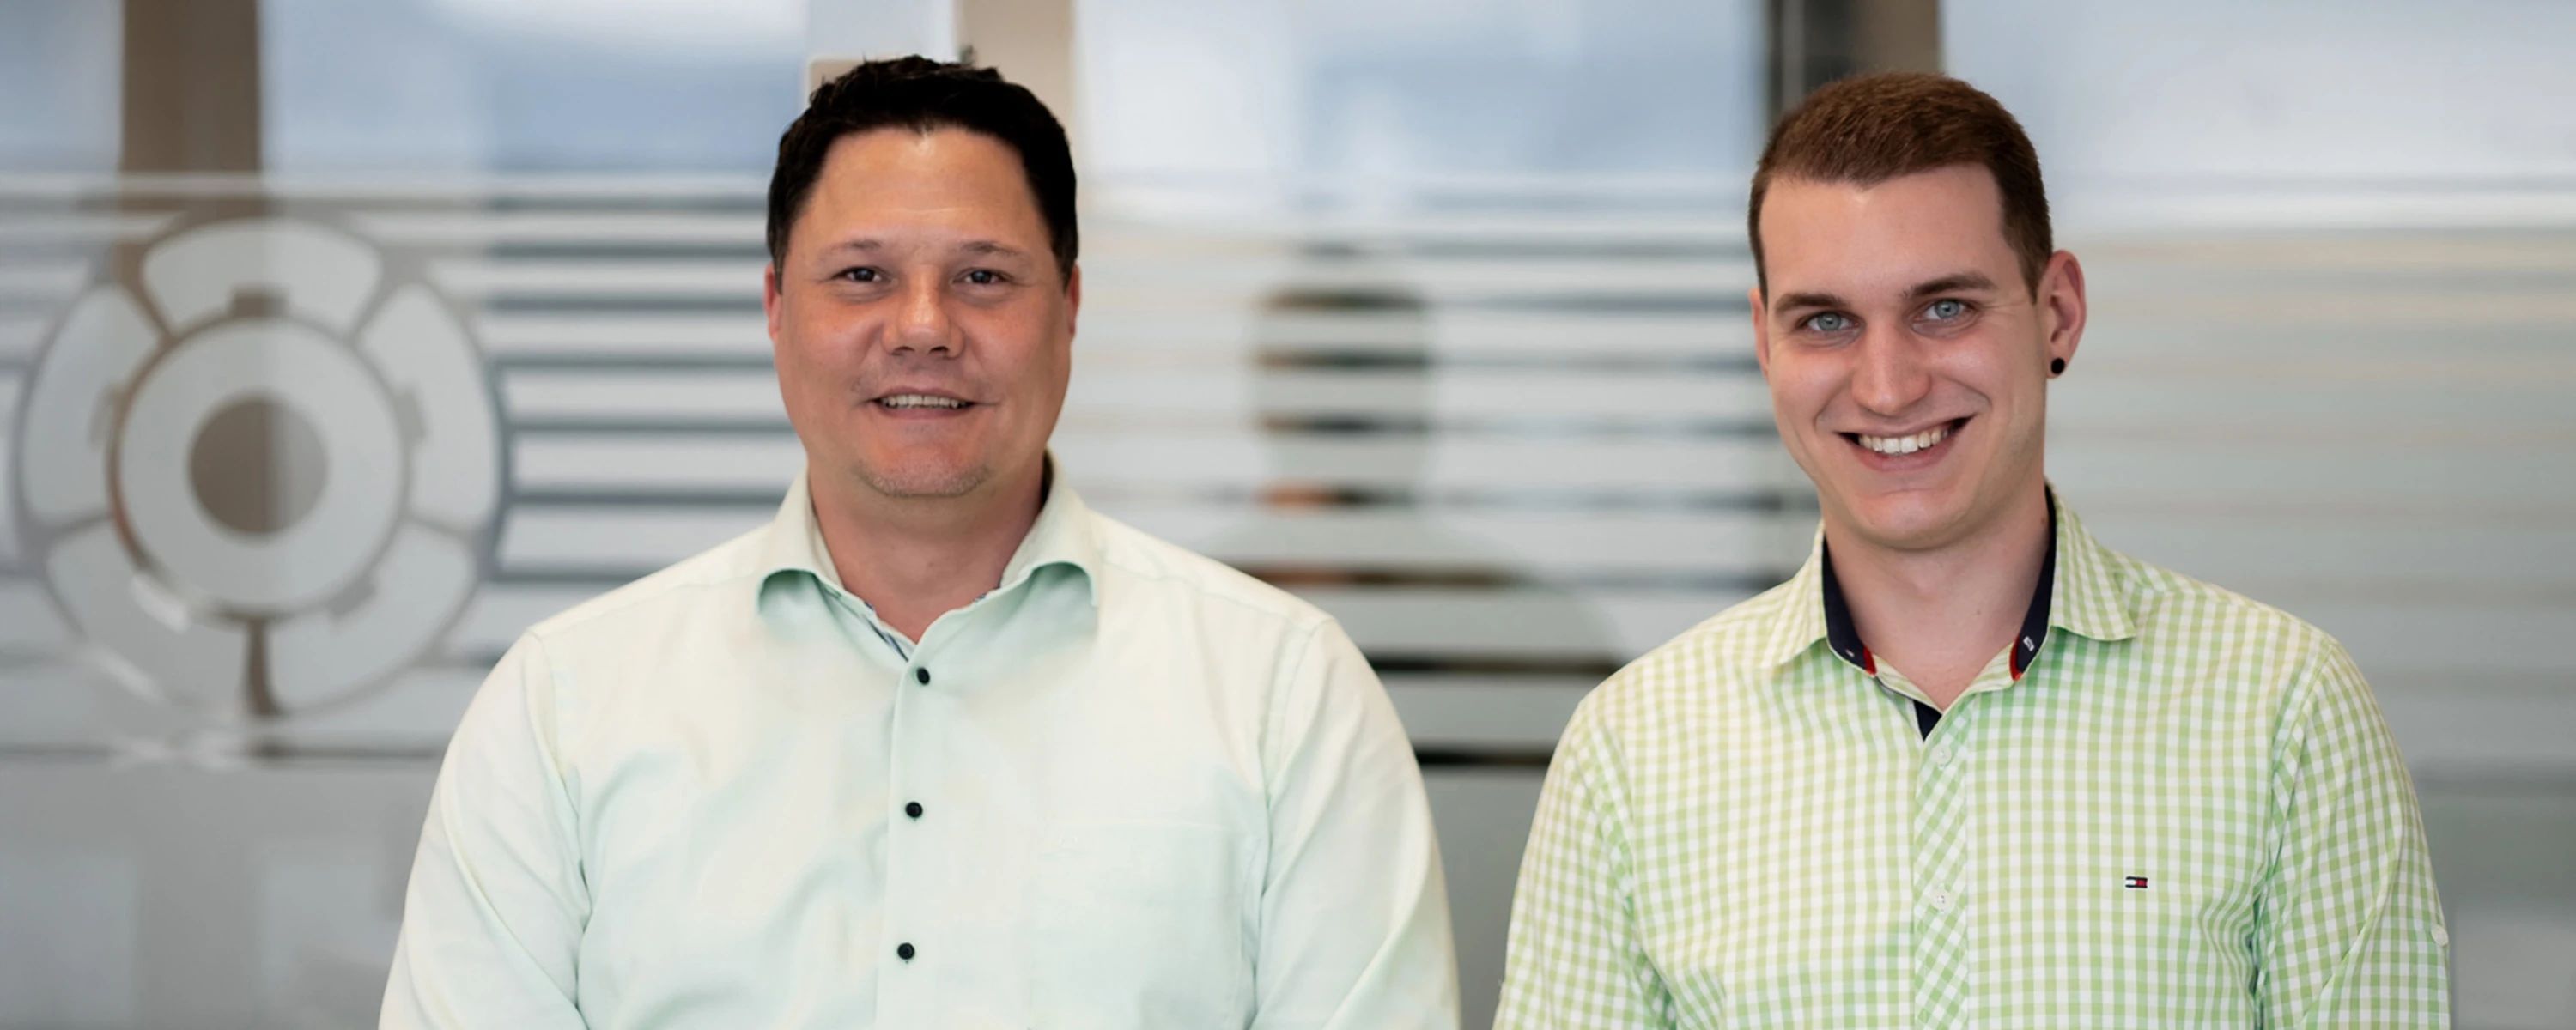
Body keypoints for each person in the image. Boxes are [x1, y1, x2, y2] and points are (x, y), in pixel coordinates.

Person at [381, 56, 1456, 1029]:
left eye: (984, 277)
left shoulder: (1283, 695)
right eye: (862, 276)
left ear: (1070, 307)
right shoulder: (565, 709)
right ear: (774, 308)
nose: (924, 327)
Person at [1497, 73, 2450, 1027]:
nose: (1887, 385)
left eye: (1943, 308)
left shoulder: (2283, 708)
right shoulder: (1632, 751)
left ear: (2057, 313)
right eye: (1826, 321)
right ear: (1765, 343)